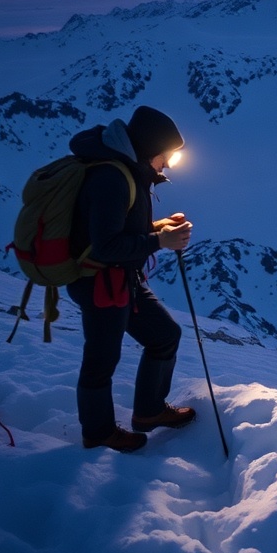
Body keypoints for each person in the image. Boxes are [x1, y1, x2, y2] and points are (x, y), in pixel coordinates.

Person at [66, 105, 196, 453]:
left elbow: (116, 229)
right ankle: (98, 432)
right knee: (101, 359)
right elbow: (106, 245)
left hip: (121, 278)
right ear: (148, 148)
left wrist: (158, 226)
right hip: (99, 282)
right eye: (164, 156)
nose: (166, 164)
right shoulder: (112, 177)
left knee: (165, 335)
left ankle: (149, 411)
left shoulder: (127, 168)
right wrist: (159, 240)